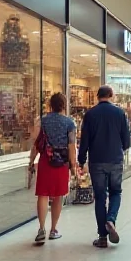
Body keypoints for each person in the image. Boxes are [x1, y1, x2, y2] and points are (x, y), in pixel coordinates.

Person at [78, 85, 131, 249]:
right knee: (116, 192)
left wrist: (81, 160)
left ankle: (102, 237)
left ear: (97, 96)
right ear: (111, 95)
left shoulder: (90, 114)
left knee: (100, 197)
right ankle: (111, 219)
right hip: (115, 159)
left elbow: (84, 140)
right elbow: (127, 141)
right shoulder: (120, 113)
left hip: (97, 161)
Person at [28, 92, 76, 244]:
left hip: (45, 161)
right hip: (61, 162)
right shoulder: (69, 123)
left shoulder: (41, 121)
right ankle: (53, 229)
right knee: (58, 195)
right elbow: (72, 146)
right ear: (64, 105)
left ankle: (41, 228)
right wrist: (73, 166)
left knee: (43, 194)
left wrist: (31, 161)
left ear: (50, 105)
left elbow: (36, 143)